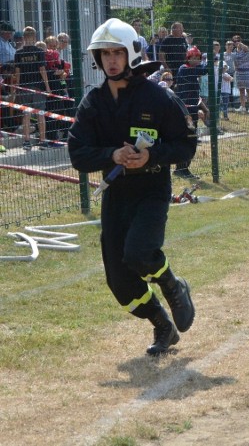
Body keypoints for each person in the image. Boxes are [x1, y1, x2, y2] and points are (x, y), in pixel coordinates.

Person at [67, 18, 197, 356]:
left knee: (139, 253)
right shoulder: (92, 103)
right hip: (116, 195)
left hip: (151, 191)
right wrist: (111, 154)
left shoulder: (158, 98)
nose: (110, 60)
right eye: (104, 53)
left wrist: (150, 156)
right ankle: (163, 327)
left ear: (132, 55)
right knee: (120, 281)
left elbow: (186, 145)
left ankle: (174, 286)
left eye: (117, 52)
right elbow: (77, 154)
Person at [14, 26, 52, 149]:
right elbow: (42, 70)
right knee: (40, 113)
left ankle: (26, 141)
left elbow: (18, 72)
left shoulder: (19, 53)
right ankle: (42, 141)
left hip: (24, 86)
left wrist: (18, 87)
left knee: (26, 114)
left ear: (24, 38)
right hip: (38, 87)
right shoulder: (39, 52)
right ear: (35, 37)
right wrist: (47, 86)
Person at [173, 46, 207, 178]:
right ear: (188, 58)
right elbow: (204, 69)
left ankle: (184, 168)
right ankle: (181, 168)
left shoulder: (194, 69)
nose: (196, 60)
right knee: (187, 138)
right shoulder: (184, 69)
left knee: (192, 138)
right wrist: (207, 60)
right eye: (194, 58)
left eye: (198, 58)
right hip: (184, 110)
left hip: (192, 109)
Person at [232, 35, 249, 114]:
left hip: (247, 72)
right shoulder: (234, 51)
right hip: (239, 73)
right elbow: (234, 61)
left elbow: (246, 48)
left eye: (238, 40)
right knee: (241, 90)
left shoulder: (245, 48)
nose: (236, 42)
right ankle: (243, 106)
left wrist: (240, 44)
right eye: (234, 41)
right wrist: (235, 69)